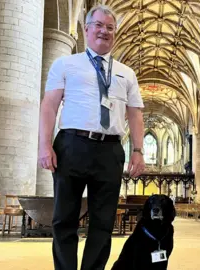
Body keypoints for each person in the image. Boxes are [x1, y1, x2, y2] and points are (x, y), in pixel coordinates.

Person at [38, 4, 145, 270]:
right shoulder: (65, 63)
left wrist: (138, 150)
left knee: (103, 222)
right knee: (64, 219)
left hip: (109, 150)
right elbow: (49, 105)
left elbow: (135, 115)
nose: (104, 31)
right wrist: (44, 145)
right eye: (98, 25)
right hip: (71, 145)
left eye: (110, 27)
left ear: (115, 33)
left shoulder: (126, 73)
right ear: (86, 29)